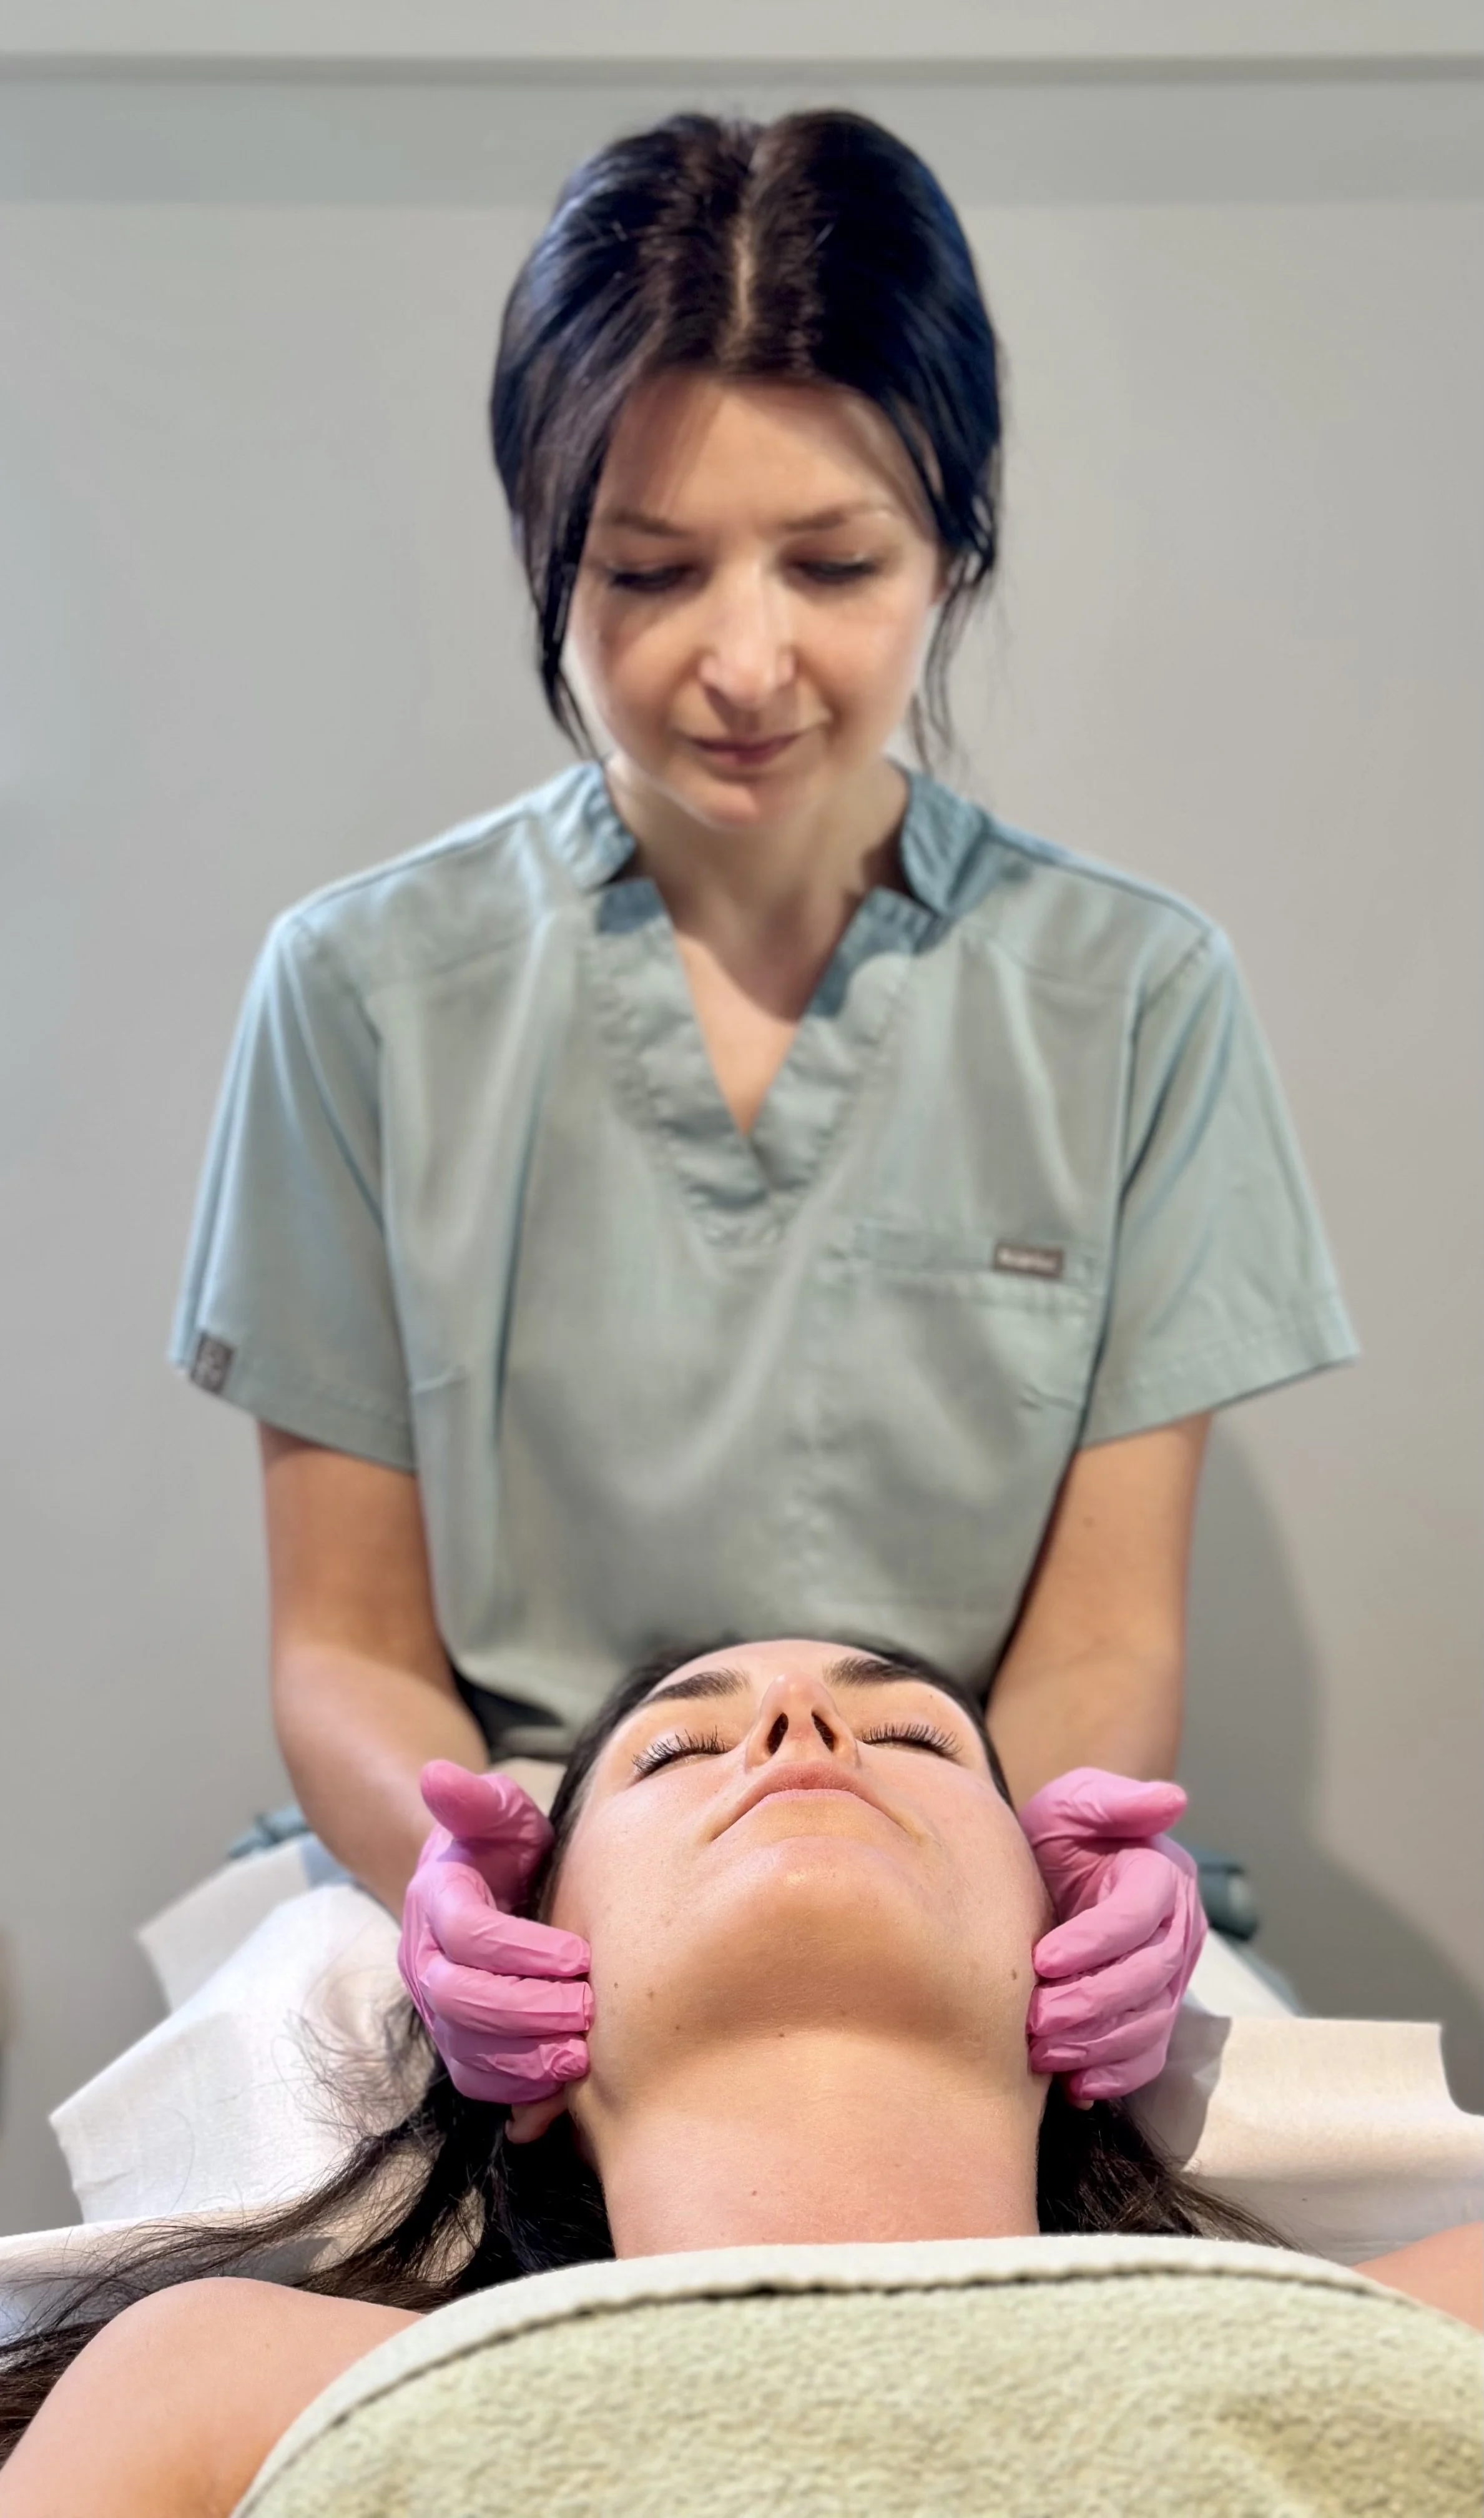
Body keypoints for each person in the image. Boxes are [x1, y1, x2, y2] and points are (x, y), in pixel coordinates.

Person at [169, 107, 1358, 2114]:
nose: (742, 661)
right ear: (546, 549)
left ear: (954, 553)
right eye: (646, 571)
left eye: (835, 563)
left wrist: (1061, 1865)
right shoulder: (363, 996)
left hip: (946, 1878)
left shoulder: (1136, 1002)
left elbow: (1096, 1646)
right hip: (518, 1889)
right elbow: (349, 1647)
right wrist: (477, 1892)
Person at [6, 1640, 1475, 2509]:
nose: (801, 1729)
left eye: (910, 1736)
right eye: (674, 1754)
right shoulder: (215, 2377)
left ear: (1076, 1938)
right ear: (519, 1964)